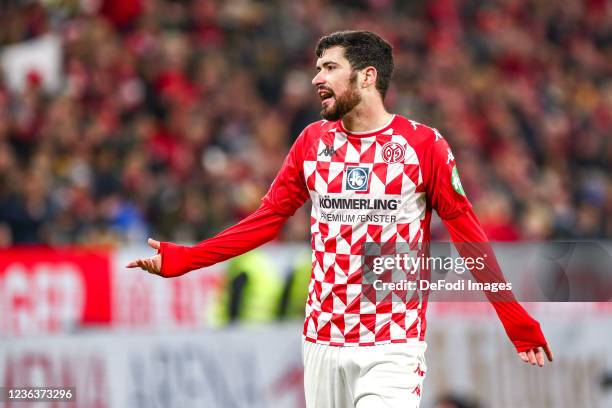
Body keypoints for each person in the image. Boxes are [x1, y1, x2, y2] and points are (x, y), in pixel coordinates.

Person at [127, 30, 553, 408]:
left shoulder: (423, 146)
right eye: (317, 68)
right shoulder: (311, 142)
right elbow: (266, 220)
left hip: (392, 343)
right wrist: (187, 259)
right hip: (322, 340)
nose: (317, 78)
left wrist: (514, 319)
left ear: (367, 76)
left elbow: (469, 239)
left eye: (330, 67)